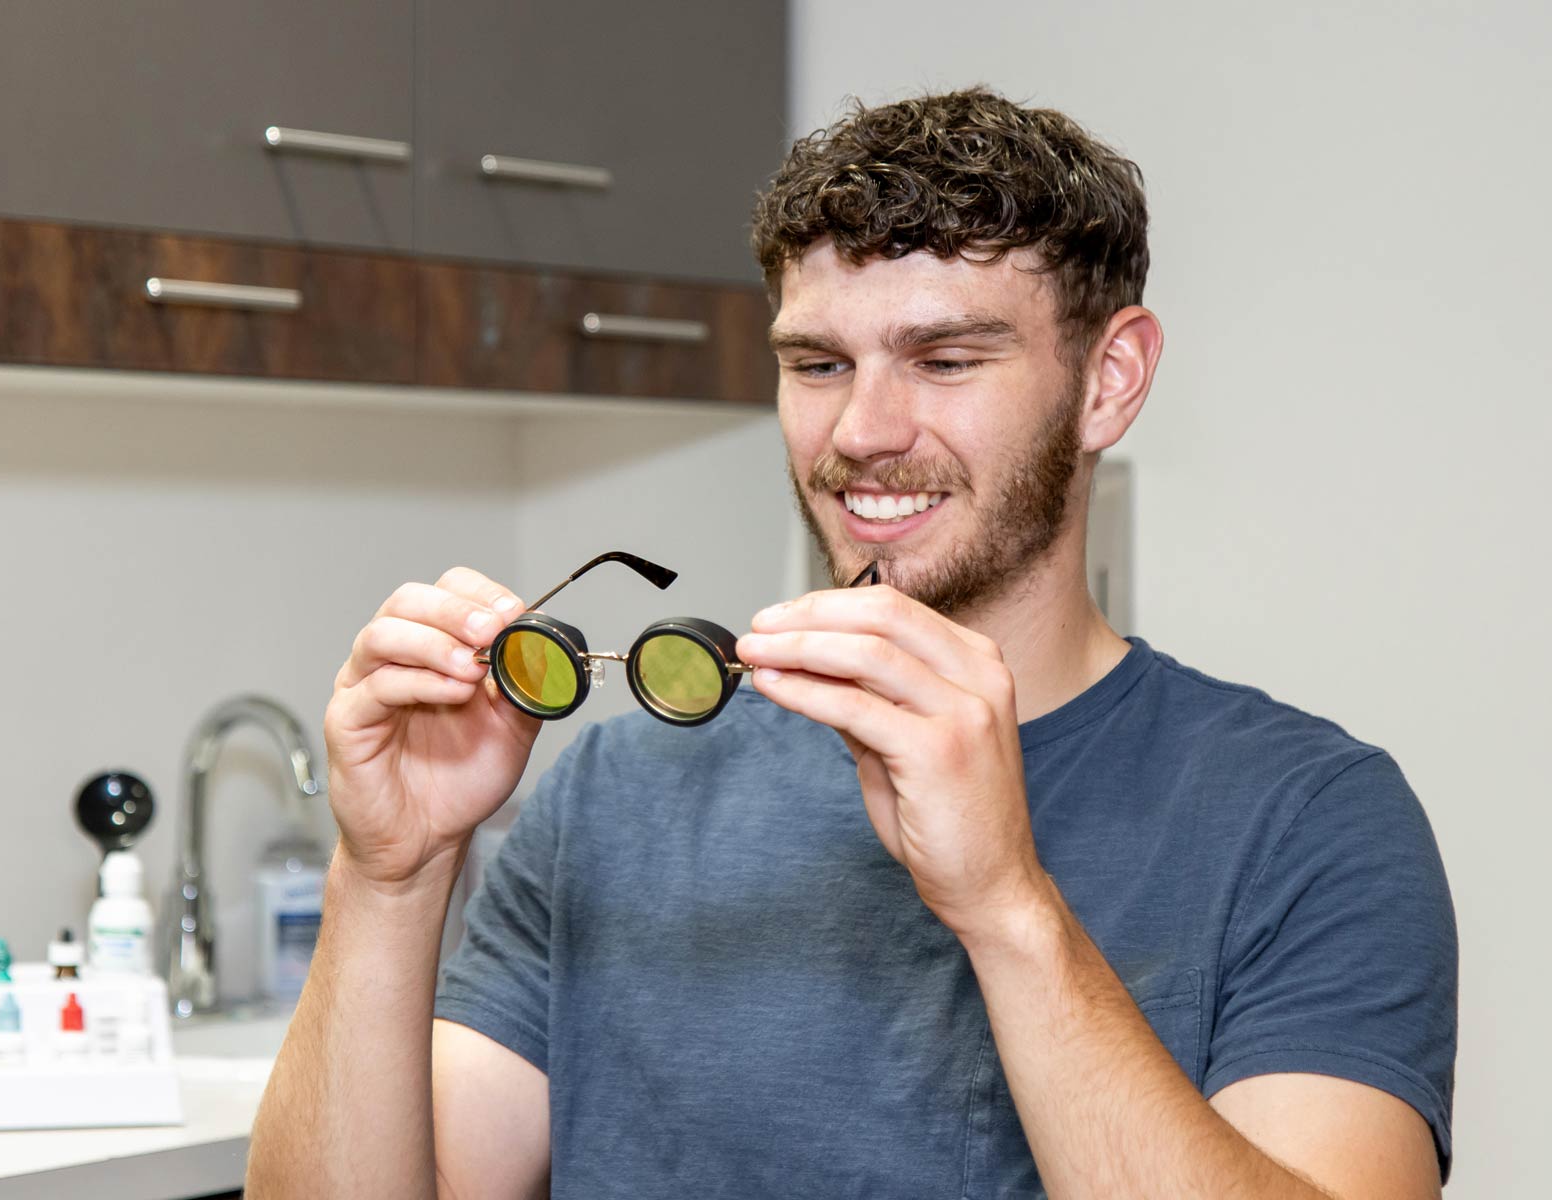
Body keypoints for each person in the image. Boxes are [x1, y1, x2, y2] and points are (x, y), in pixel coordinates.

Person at [246, 87, 1456, 1198]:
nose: (864, 432)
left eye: (945, 360)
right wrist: (389, 878)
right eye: (818, 364)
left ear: (1110, 380)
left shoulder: (1309, 819)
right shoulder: (614, 798)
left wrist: (1003, 903)